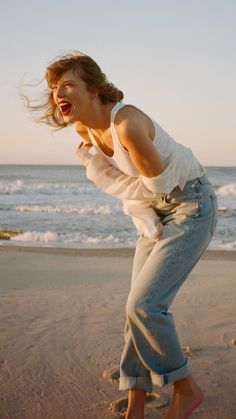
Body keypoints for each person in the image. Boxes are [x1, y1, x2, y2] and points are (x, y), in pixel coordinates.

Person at [30, 52, 218, 419]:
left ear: (94, 89)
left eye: (67, 84)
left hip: (190, 204)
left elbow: (155, 186)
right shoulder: (85, 130)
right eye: (55, 87)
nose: (58, 94)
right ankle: (135, 405)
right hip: (154, 208)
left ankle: (186, 388)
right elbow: (138, 192)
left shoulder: (128, 123)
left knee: (144, 307)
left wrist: (95, 169)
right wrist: (98, 166)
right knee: (133, 310)